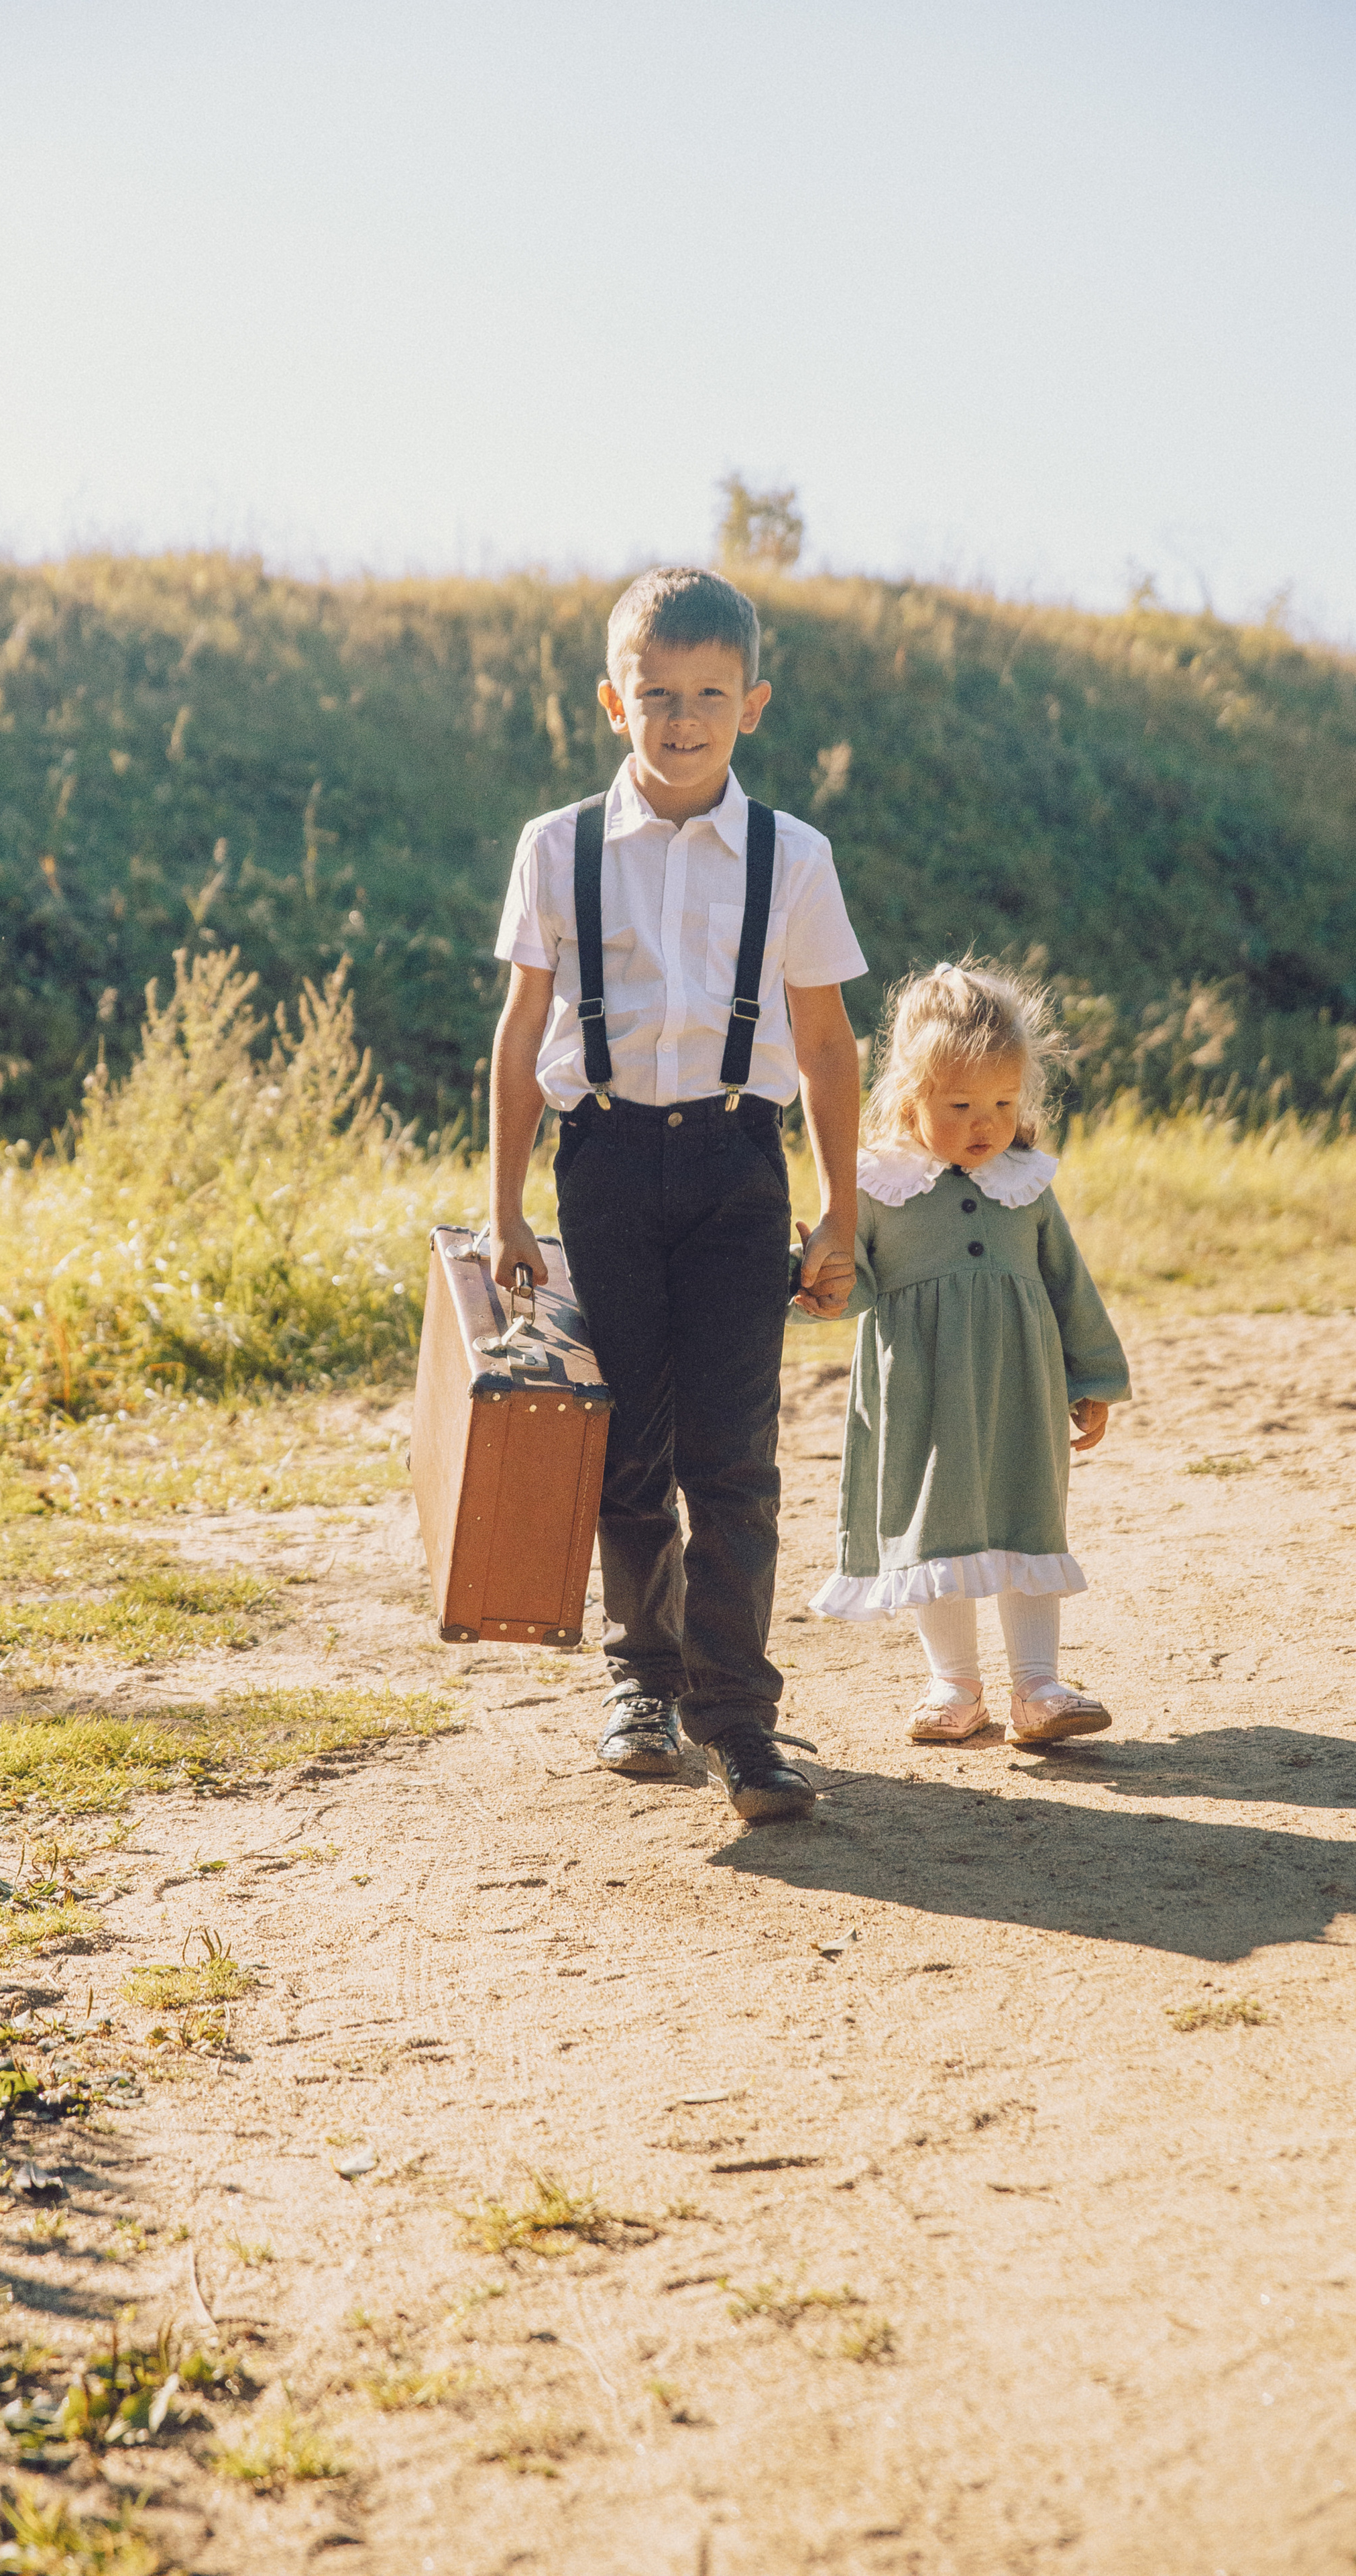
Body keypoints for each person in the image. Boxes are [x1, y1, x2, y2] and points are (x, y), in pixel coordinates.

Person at [488, 566, 868, 1822]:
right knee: (627, 1449)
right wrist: (504, 1210)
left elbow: (827, 1046)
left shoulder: (792, 855)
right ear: (615, 701)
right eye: (657, 694)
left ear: (752, 704)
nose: (683, 719)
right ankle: (642, 1685)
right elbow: (521, 1032)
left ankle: (742, 1723)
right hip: (601, 1163)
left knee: (735, 1457)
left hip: (738, 1169)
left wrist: (842, 1208)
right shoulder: (557, 847)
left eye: (710, 695)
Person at [805, 958, 1130, 1746]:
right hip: (919, 1394)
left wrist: (1091, 1378)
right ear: (909, 1098)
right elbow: (853, 1287)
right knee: (935, 1530)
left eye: (1003, 1103)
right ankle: (954, 1687)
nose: (986, 1123)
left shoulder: (1026, 1183)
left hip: (1020, 1386)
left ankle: (1038, 1687)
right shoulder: (875, 1187)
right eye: (960, 1106)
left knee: (1028, 1518)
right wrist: (817, 1281)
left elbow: (1068, 1284)